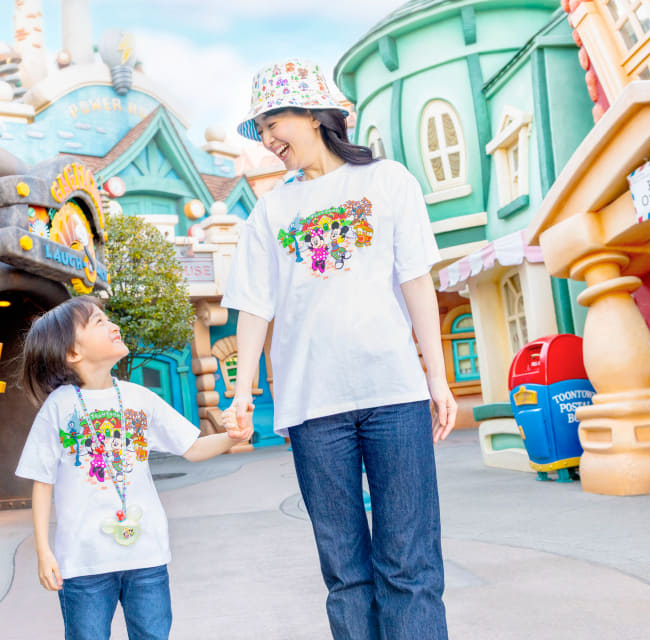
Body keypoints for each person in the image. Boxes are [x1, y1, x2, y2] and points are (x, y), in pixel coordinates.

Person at [221, 59, 457, 640]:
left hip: (393, 393)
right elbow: (253, 305)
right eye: (260, 129)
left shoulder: (388, 180)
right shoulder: (270, 210)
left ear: (312, 113)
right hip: (312, 406)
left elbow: (416, 280)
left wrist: (437, 377)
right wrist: (242, 390)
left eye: (272, 123)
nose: (267, 140)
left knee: (410, 564)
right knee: (346, 574)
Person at [16, 296, 252, 640]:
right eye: (98, 322)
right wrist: (43, 551)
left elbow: (192, 448)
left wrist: (232, 437)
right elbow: (42, 480)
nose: (113, 326)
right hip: (84, 561)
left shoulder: (139, 397)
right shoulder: (59, 407)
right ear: (73, 353)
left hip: (146, 555)